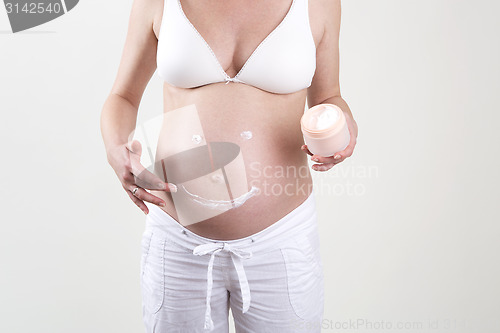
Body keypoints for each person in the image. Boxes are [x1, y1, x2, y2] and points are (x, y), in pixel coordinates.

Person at [100, 0, 358, 331]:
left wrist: (346, 123)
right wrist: (115, 148)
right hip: (178, 243)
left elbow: (329, 97)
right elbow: (122, 97)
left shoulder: (318, 4)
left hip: (280, 241)